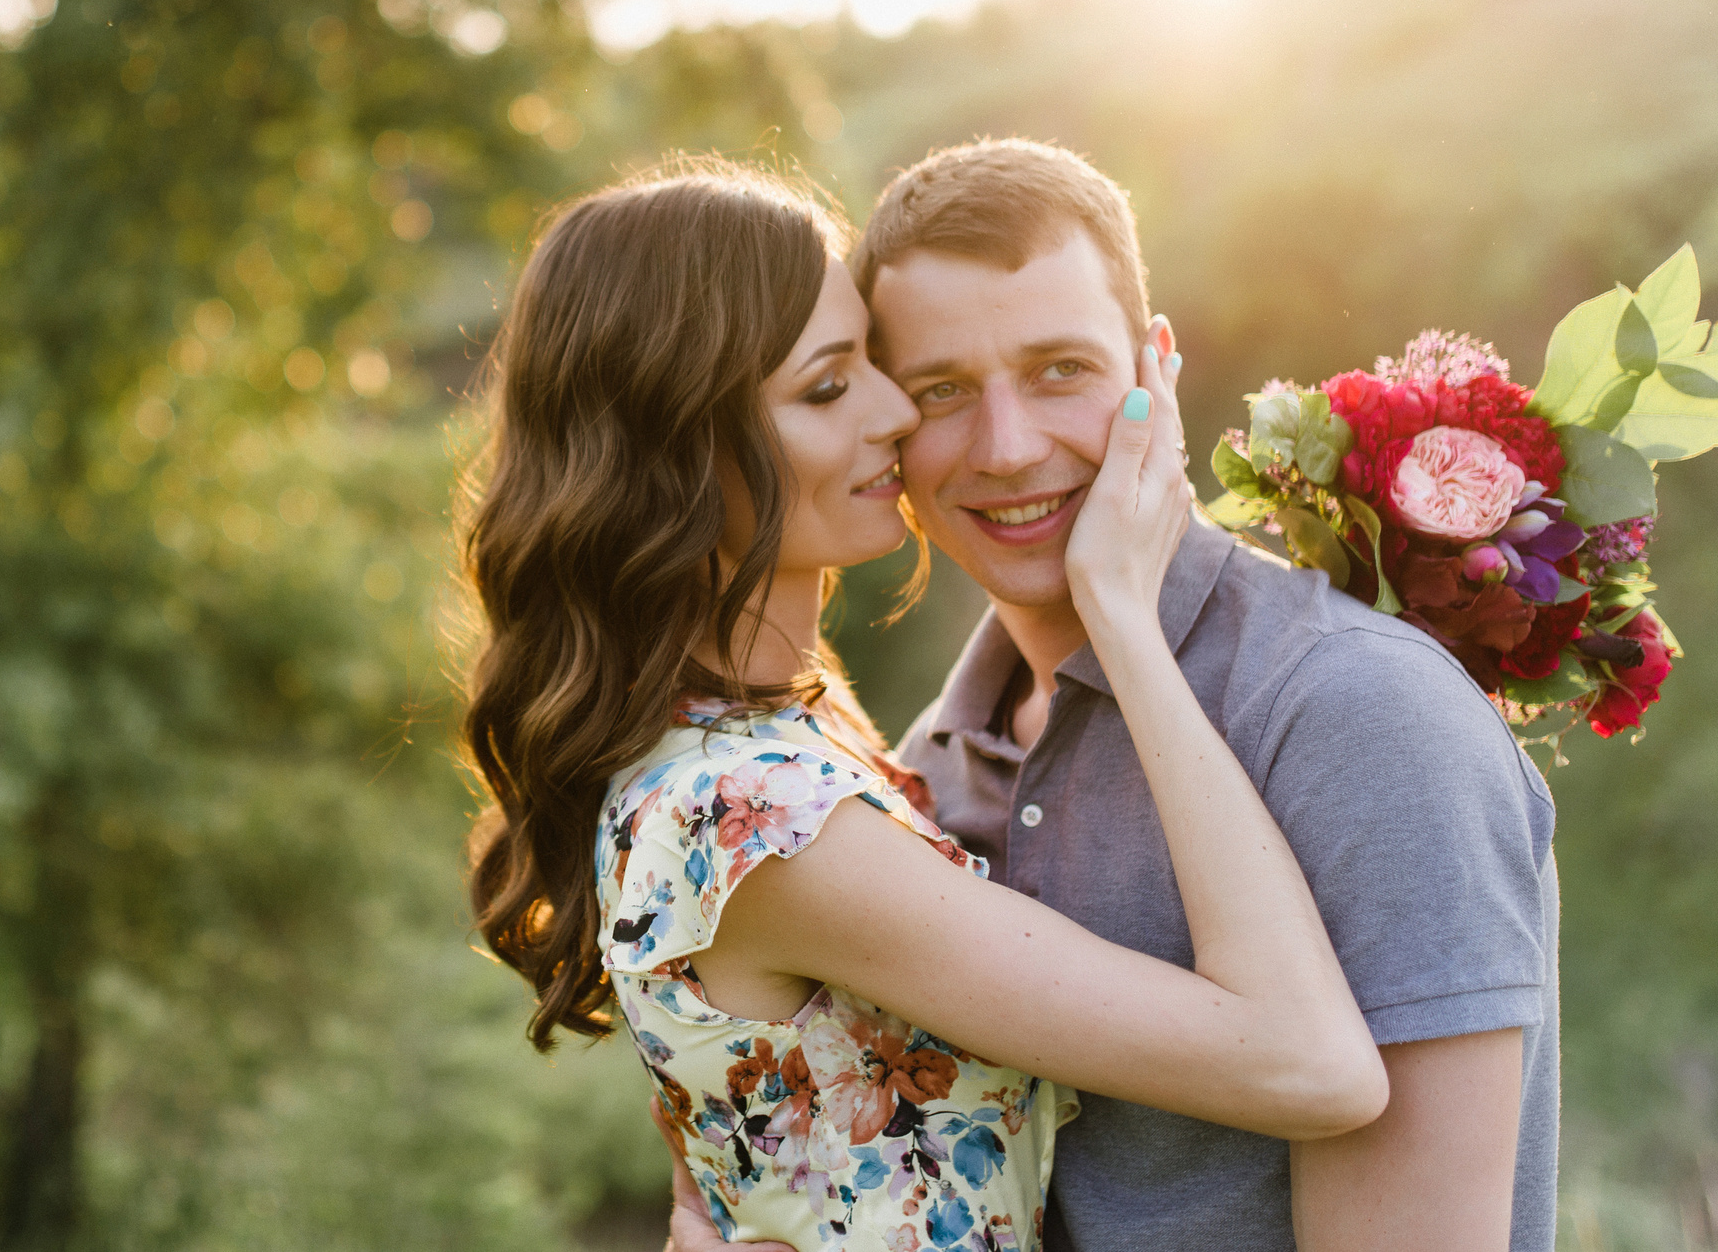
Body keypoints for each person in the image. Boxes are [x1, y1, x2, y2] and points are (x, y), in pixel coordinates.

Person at [459, 158, 1389, 1252]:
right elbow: (1309, 1062)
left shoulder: (771, 743)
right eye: (828, 385)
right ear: (683, 456)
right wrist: (1126, 624)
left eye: (874, 365)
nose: (901, 409)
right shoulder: (759, 819)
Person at [664, 139, 1562, 1252]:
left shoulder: (1355, 712)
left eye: (1060, 370)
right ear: (888, 422)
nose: (1007, 446)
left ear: (1155, 367)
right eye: (944, 389)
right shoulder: (924, 771)